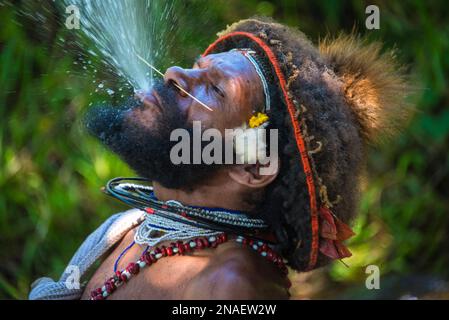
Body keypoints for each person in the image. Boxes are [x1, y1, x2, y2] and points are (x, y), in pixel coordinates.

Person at [29, 17, 413, 300]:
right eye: (196, 68)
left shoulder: (232, 286)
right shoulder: (137, 228)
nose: (173, 73)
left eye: (213, 89)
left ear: (254, 165)